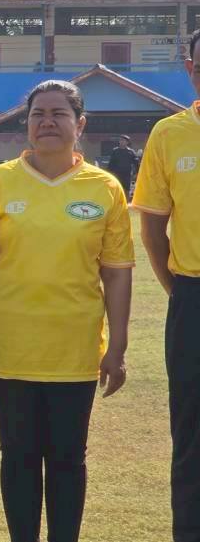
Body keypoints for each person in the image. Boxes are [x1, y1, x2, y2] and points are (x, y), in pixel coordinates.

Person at [0, 80, 133, 542]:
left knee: (68, 459)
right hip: (11, 348)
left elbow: (117, 273)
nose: (47, 122)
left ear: (80, 124)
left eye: (59, 114)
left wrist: (117, 348)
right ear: (27, 124)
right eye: (38, 114)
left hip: (75, 350)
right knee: (17, 456)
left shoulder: (104, 188)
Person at [133, 27, 200, 542]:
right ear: (190, 69)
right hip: (193, 296)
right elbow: (153, 227)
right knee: (192, 432)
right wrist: (178, 291)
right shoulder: (169, 134)